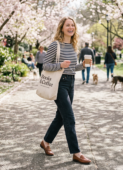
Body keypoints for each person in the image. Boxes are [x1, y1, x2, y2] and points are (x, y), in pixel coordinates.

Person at [40, 17, 92, 164]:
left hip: (70, 82)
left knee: (61, 117)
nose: (71, 27)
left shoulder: (73, 46)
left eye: (73, 25)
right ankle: (76, 152)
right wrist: (60, 65)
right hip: (59, 84)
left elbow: (71, 68)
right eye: (67, 25)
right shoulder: (55, 45)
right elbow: (46, 66)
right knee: (69, 117)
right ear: (62, 28)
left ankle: (45, 142)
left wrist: (82, 65)